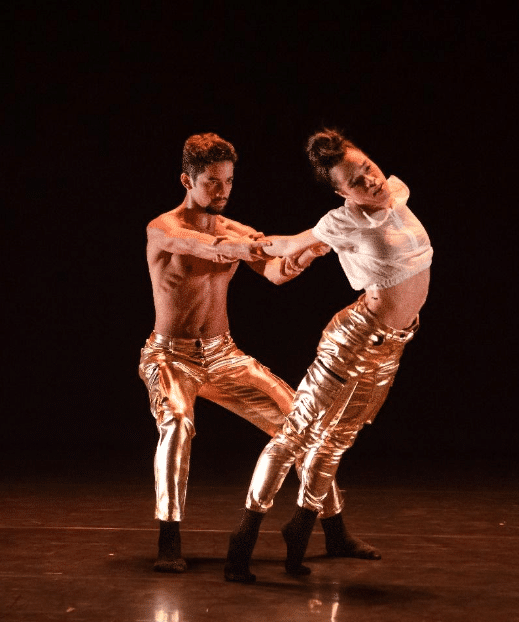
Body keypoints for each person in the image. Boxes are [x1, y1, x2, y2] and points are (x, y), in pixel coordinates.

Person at [139, 132, 379, 573]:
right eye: (212, 182)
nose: (222, 191)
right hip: (170, 356)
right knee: (176, 423)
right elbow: (205, 247)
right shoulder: (164, 228)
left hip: (223, 354)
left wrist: (309, 251)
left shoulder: (236, 229)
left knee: (300, 419)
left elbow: (275, 272)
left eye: (228, 181)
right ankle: (169, 540)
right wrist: (276, 243)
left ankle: (335, 529)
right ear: (186, 181)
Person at [224, 128, 433, 582]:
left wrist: (320, 249)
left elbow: (331, 243)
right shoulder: (341, 220)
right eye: (356, 182)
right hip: (354, 339)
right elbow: (288, 245)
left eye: (368, 169)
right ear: (341, 192)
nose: (370, 182)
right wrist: (245, 247)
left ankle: (302, 526)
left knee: (338, 440)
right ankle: (242, 538)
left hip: (391, 346)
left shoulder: (396, 192)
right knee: (295, 434)